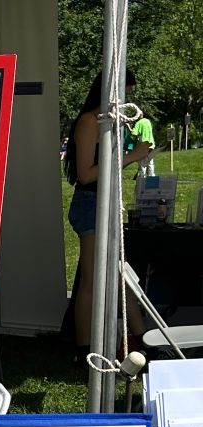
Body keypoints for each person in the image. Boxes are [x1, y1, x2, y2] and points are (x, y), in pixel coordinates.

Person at [63, 70, 152, 360]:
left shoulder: (110, 122)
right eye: (123, 91)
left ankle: (142, 340)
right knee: (92, 279)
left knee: (119, 275)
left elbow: (109, 169)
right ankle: (83, 349)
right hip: (91, 204)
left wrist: (132, 156)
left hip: (104, 202)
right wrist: (131, 155)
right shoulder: (90, 121)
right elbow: (87, 174)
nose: (126, 99)